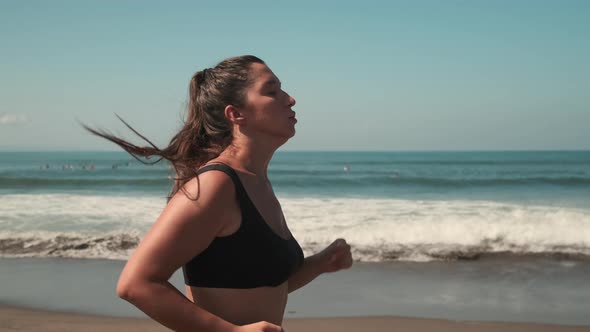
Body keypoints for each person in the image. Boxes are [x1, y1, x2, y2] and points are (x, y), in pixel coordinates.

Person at [84, 55, 353, 331]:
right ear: (236, 114)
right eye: (272, 91)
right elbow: (136, 284)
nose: (290, 99)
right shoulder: (216, 185)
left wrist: (320, 263)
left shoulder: (255, 181)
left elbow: (260, 285)